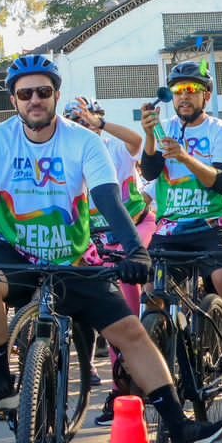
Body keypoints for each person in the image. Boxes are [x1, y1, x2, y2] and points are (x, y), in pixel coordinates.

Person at [0, 55, 222, 443]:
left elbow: (108, 199)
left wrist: (135, 250)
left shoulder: (83, 140)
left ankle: (178, 425)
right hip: (14, 249)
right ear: (14, 100)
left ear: (56, 95)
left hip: (74, 256)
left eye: (43, 92)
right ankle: (1, 381)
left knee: (130, 333)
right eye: (26, 94)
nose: (35, 100)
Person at [140, 59, 222, 406]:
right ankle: (160, 374)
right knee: (151, 294)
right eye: (178, 91)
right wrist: (150, 135)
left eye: (191, 90)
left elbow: (221, 181)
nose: (184, 97)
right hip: (171, 228)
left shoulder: (220, 131)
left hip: (213, 225)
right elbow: (151, 171)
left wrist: (183, 157)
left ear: (205, 95)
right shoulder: (165, 127)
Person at [64, 97, 152, 423]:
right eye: (76, 121)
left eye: (87, 119)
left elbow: (137, 141)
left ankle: (135, 378)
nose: (82, 124)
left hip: (135, 227)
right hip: (97, 238)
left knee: (127, 300)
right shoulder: (70, 154)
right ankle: (114, 383)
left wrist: (99, 124)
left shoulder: (114, 147)